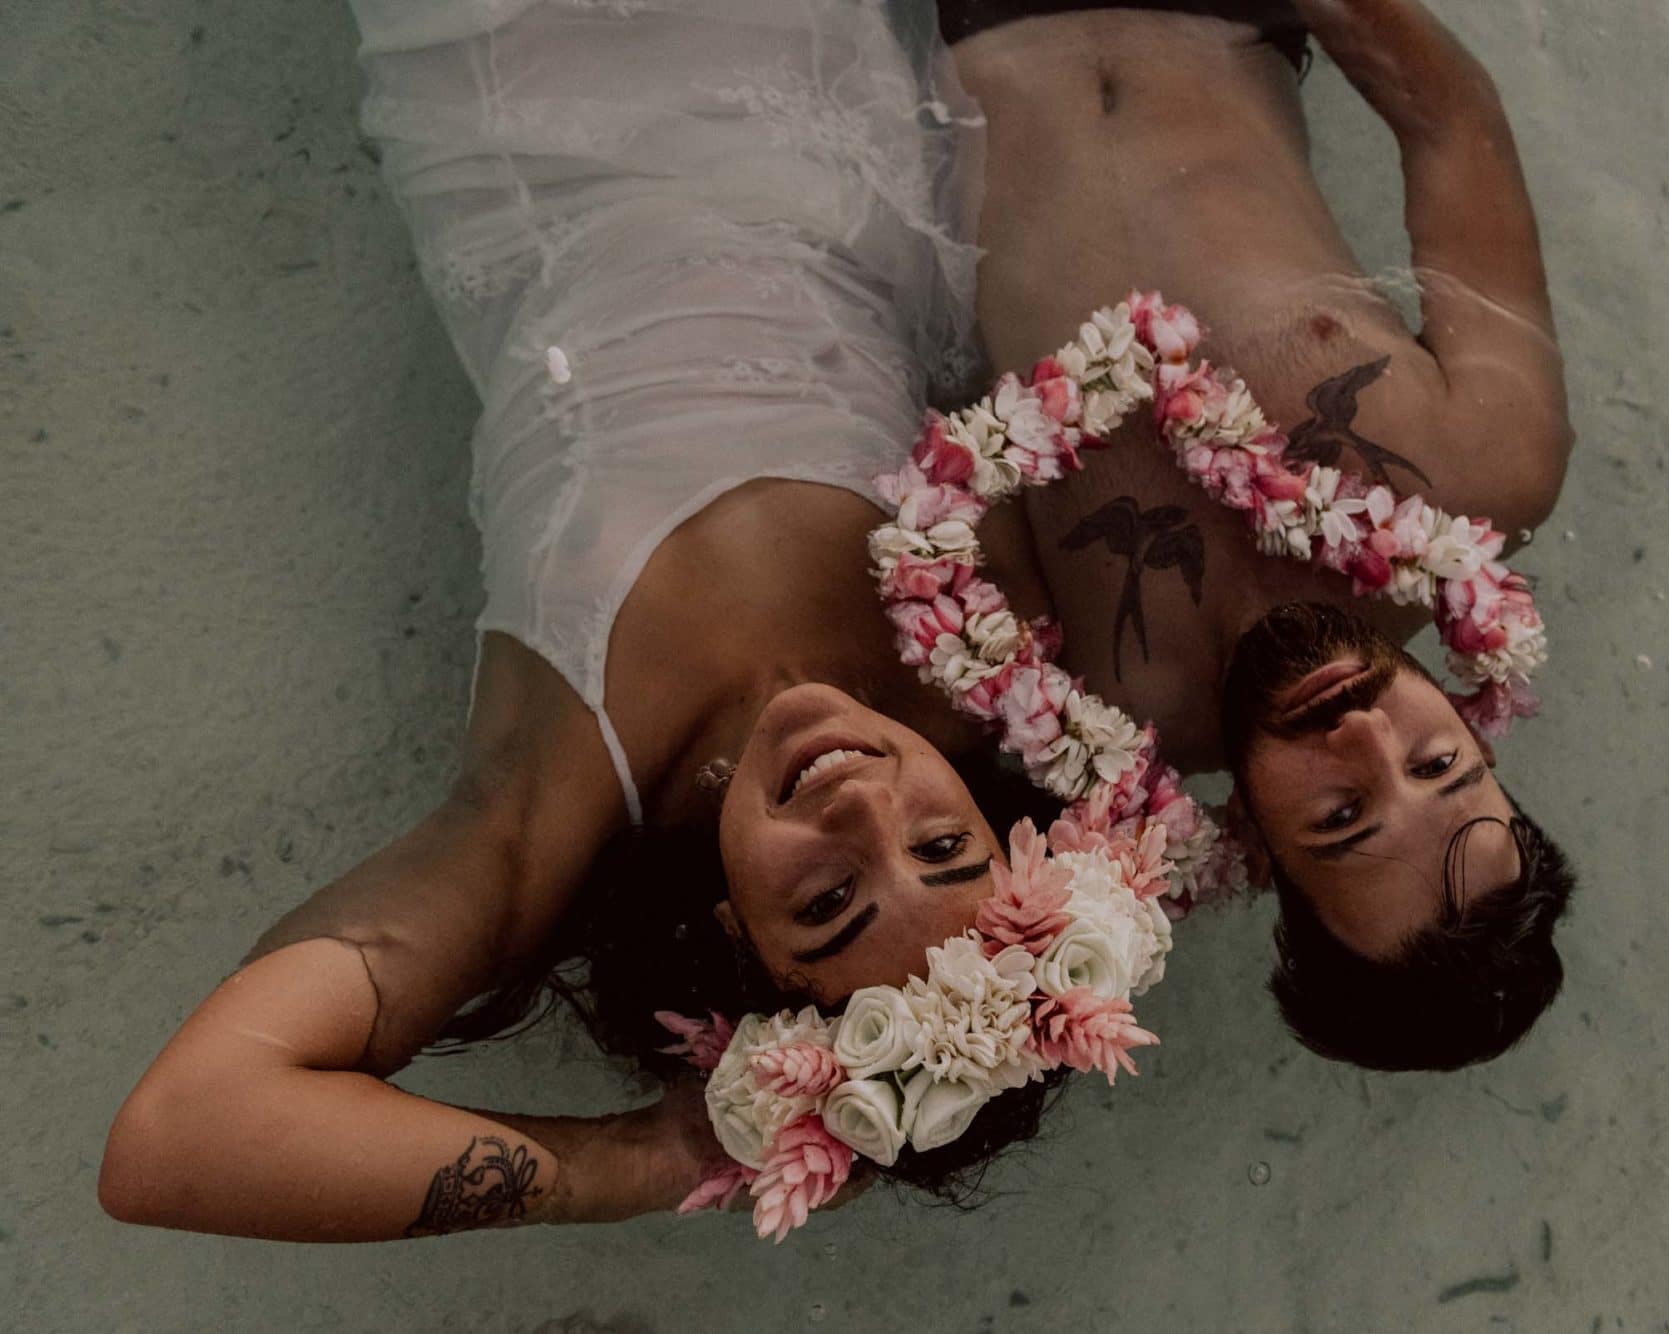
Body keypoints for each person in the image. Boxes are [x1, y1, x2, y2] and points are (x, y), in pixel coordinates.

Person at [99, 0, 1074, 1240]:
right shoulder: (996, 652)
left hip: (520, 82)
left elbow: (183, 1132)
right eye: (943, 850)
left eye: (827, 901)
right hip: (816, 109)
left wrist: (654, 1153)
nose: (862, 806)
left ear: (731, 940)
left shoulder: (548, 800)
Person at [942, 0, 1579, 1070]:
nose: (1364, 733)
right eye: (1438, 763)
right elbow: (1448, 120)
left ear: (1263, 853)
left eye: (1339, 815)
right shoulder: (1487, 470)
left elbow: (922, 440)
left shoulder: (1080, 689)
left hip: (943, 44)